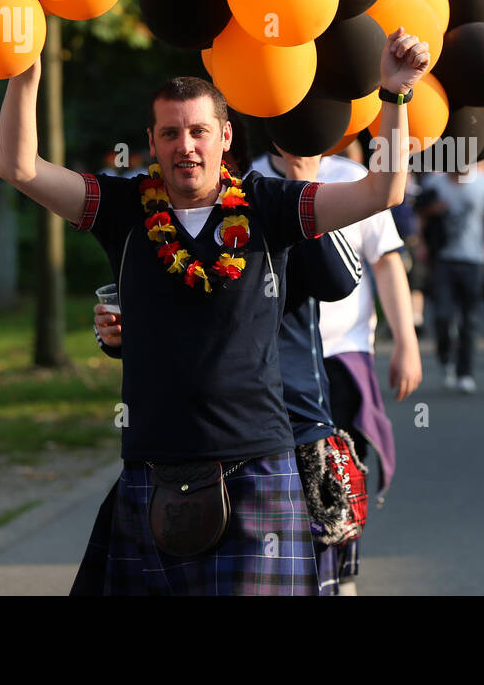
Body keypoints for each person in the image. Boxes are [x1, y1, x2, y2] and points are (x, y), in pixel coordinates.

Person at [0, 29, 429, 596]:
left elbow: (381, 192)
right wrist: (25, 75)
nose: (186, 146)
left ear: (224, 137)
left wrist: (395, 96)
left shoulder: (266, 205)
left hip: (257, 462)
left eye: (199, 131)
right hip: (153, 466)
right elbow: (20, 168)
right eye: (171, 133)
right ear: (152, 141)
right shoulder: (123, 209)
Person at [94, 124, 366, 596]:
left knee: (324, 586)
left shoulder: (272, 201)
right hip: (186, 445)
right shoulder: (164, 214)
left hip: (290, 429)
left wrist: (302, 180)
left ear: (227, 146)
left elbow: (341, 281)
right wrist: (116, 336)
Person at [252, 146, 423, 595]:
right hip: (275, 361)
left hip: (344, 353)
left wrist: (406, 341)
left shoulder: (353, 177)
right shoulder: (247, 179)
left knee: (339, 468)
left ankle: (342, 572)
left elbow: (386, 262)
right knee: (281, 476)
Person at [417, 165, 484, 393]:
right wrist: (422, 243)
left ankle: (465, 372)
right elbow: (421, 214)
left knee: (469, 319)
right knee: (443, 315)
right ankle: (446, 359)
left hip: (474, 260)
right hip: (443, 259)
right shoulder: (435, 183)